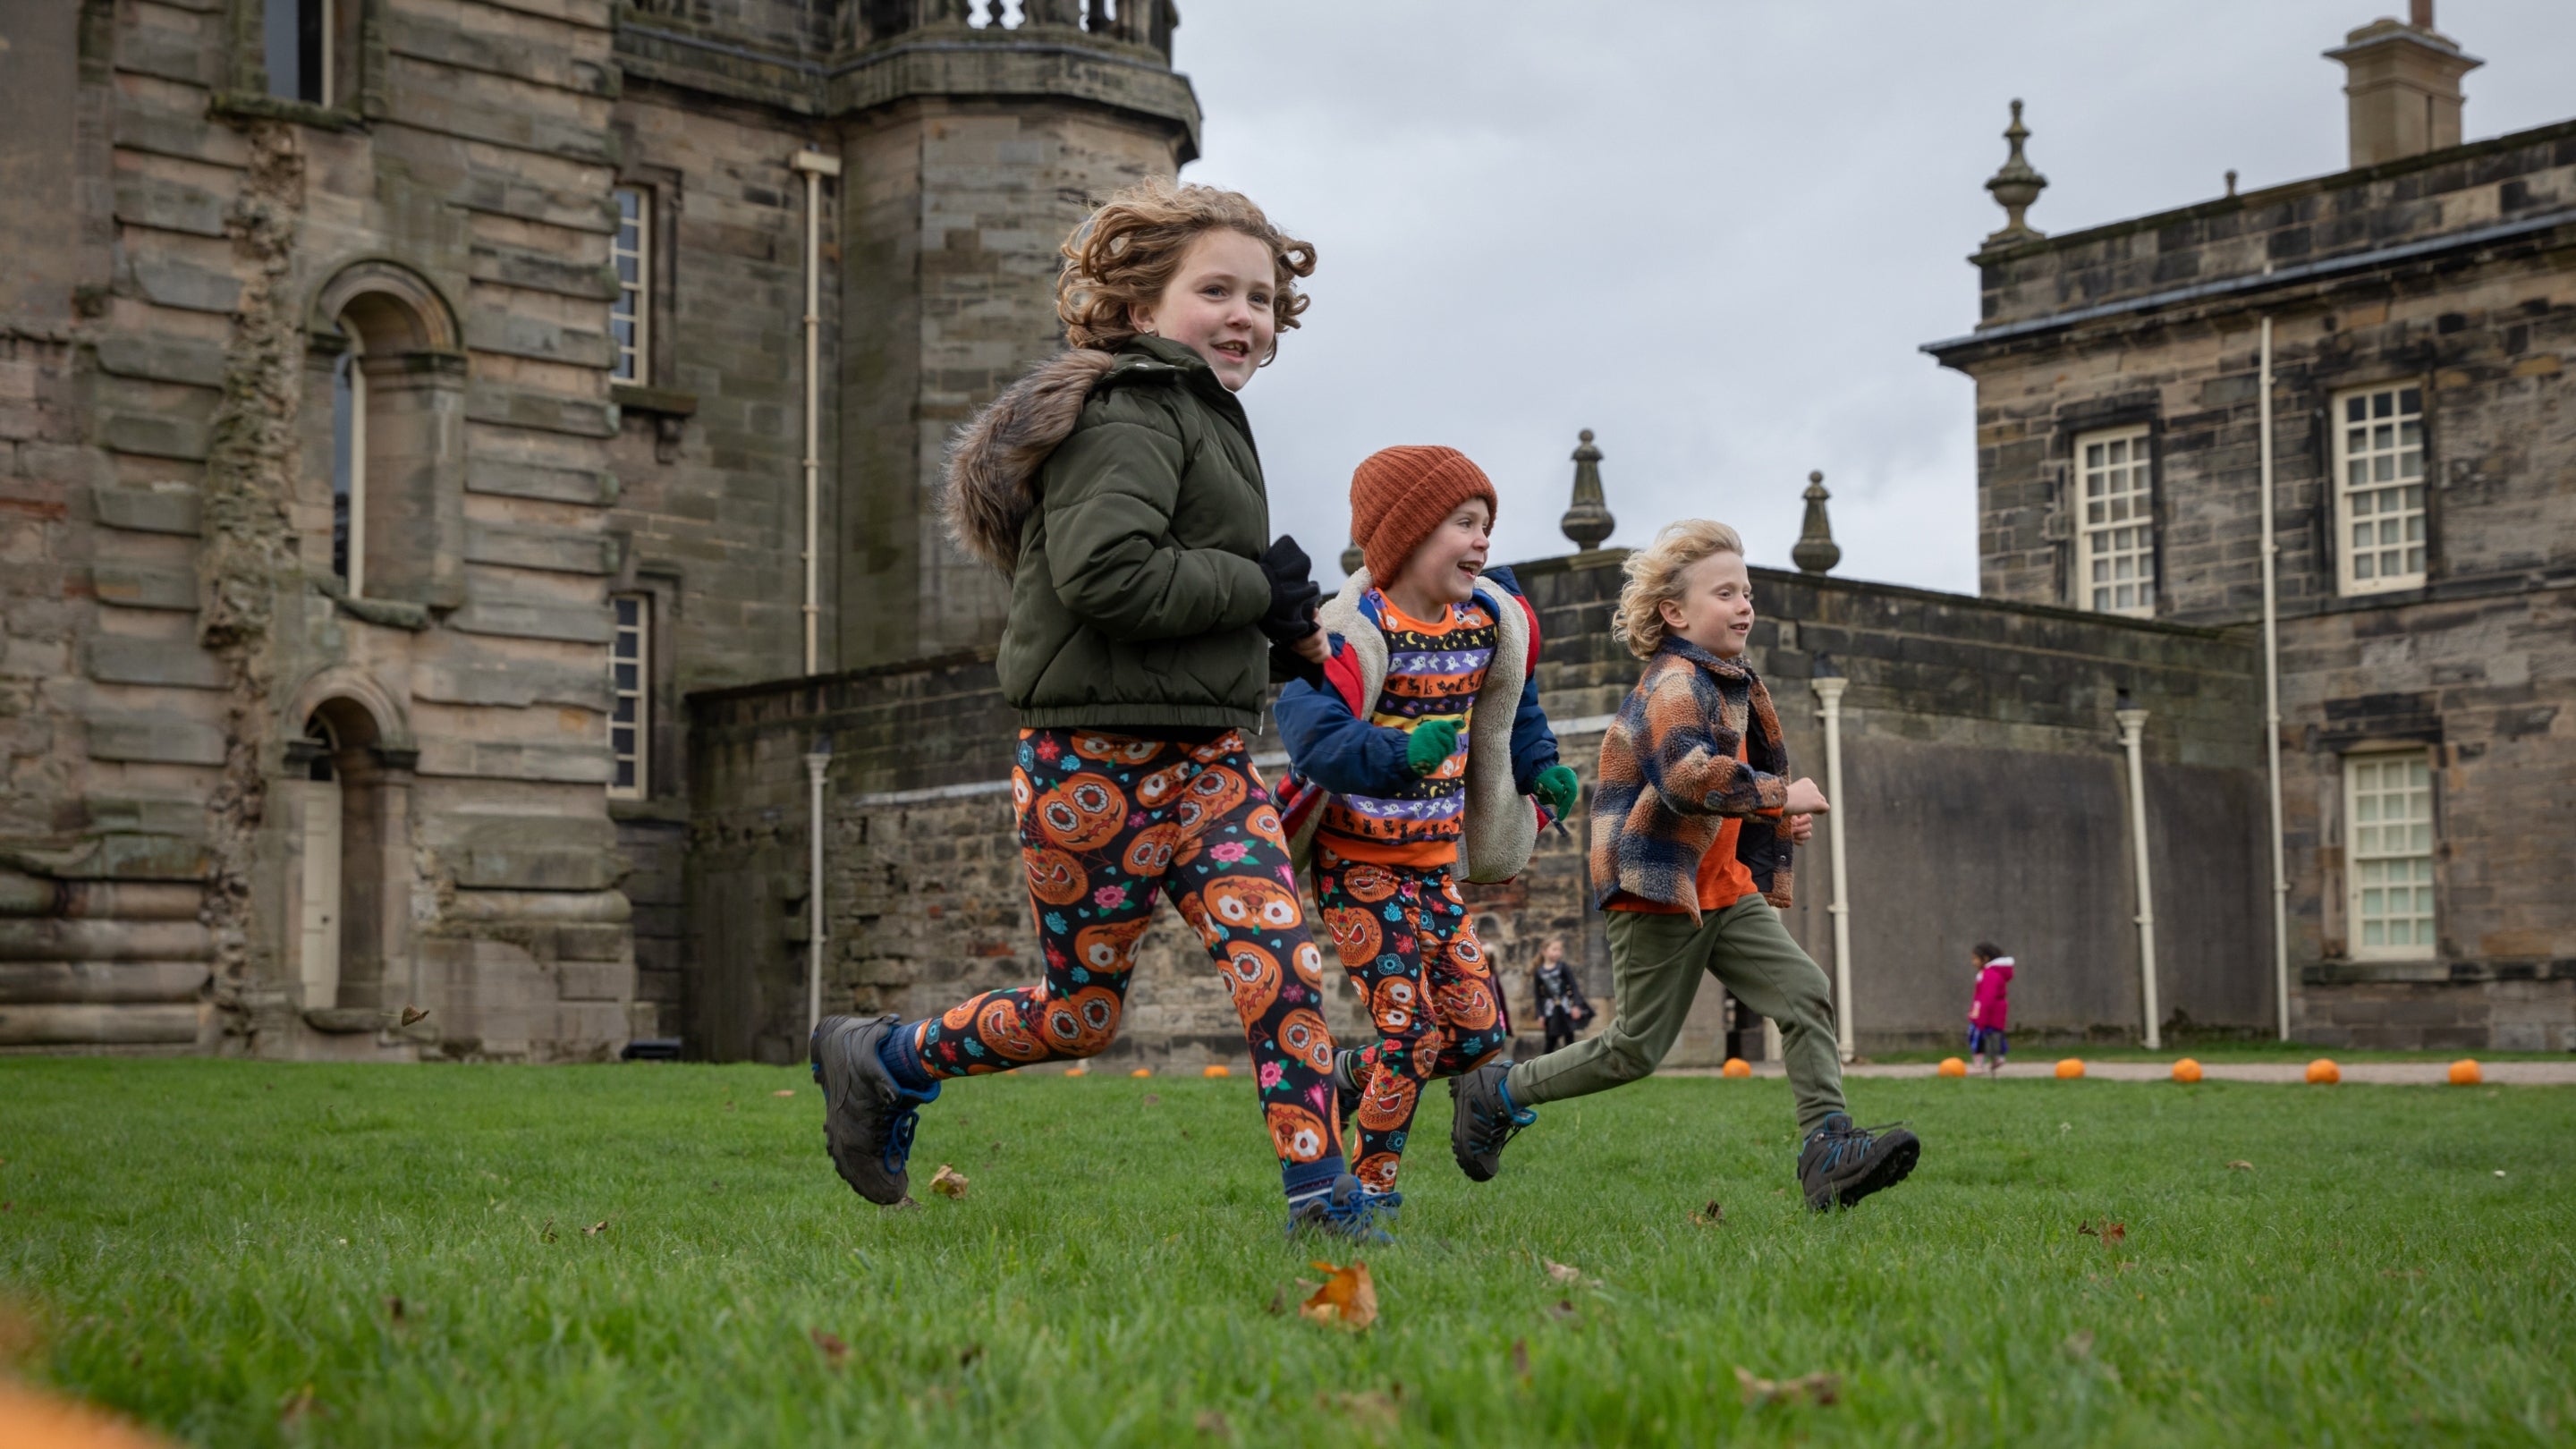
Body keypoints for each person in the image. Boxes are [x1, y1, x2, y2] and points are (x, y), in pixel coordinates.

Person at [809, 180, 1392, 1240]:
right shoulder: (1126, 411)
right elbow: (1108, 576)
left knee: (1284, 967)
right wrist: (1258, 588)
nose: (1244, 316)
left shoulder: (1213, 420)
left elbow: (1188, 574)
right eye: (1214, 289)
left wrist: (1287, 629)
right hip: (1092, 768)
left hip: (1211, 766)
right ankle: (884, 1060)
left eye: (1260, 297)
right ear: (1136, 308)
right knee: (1079, 1016)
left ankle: (1325, 1205)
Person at [1446, 520, 1923, 1211]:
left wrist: (1768, 813)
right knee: (1634, 1049)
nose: (1744, 606)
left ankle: (1828, 1147)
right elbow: (1685, 776)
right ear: (1675, 612)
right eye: (1725, 592)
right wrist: (1777, 793)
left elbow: (1719, 785)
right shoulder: (1674, 681)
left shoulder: (1726, 679)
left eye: (1748, 592)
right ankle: (1497, 1091)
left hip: (1722, 891)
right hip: (1655, 885)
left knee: (1804, 991)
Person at [1271, 446, 1580, 1196]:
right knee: (1411, 1036)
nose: (1483, 541)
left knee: (1479, 1035)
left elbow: (1513, 707)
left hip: (1432, 866)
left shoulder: (1486, 623)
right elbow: (1311, 730)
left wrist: (1540, 767)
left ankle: (1353, 1074)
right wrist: (1400, 751)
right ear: (1408, 535)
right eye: (1464, 523)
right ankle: (1371, 1192)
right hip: (1359, 867)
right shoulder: (1355, 630)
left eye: (1487, 525)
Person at [1530, 936, 1592, 1053]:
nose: (1558, 953)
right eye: (1554, 949)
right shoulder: (1539, 972)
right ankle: (1544, 1067)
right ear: (1544, 951)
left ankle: (1572, 1064)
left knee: (1569, 1038)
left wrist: (1576, 1006)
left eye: (1560, 950)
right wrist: (1540, 1015)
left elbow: (1573, 986)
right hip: (1550, 1010)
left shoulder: (1563, 967)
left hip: (1565, 1007)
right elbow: (1538, 996)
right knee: (1550, 1040)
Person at [1967, 942, 2014, 1077]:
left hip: (1986, 1012)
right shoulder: (1993, 973)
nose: (1973, 962)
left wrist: (1979, 1015)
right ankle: (1997, 1058)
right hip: (1995, 1012)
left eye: (1975, 958)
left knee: (1977, 1037)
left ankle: (1978, 1065)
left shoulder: (1990, 974)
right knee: (1994, 1035)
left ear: (1985, 958)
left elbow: (1986, 997)